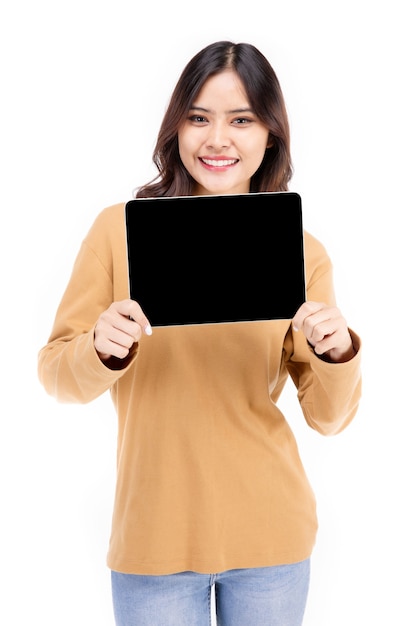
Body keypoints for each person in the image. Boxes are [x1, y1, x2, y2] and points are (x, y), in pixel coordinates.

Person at [38, 41, 362, 626]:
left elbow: (329, 418)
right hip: (153, 542)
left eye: (241, 119)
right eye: (198, 118)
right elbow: (58, 377)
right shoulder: (118, 233)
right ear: (175, 128)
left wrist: (337, 351)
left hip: (273, 540)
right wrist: (98, 349)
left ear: (270, 134)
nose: (218, 139)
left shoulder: (301, 252)